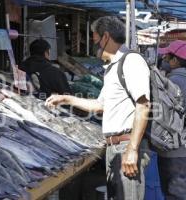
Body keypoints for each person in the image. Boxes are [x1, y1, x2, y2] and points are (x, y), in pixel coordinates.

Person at [46, 16, 151, 200]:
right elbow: (100, 106)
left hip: (126, 145)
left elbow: (143, 105)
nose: (93, 44)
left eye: (94, 39)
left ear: (106, 37)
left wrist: (132, 149)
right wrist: (66, 98)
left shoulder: (131, 61)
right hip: (113, 148)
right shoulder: (112, 68)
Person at [157, 40, 186, 199]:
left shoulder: (175, 81)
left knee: (176, 193)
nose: (164, 61)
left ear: (175, 60)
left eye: (166, 57)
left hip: (179, 147)